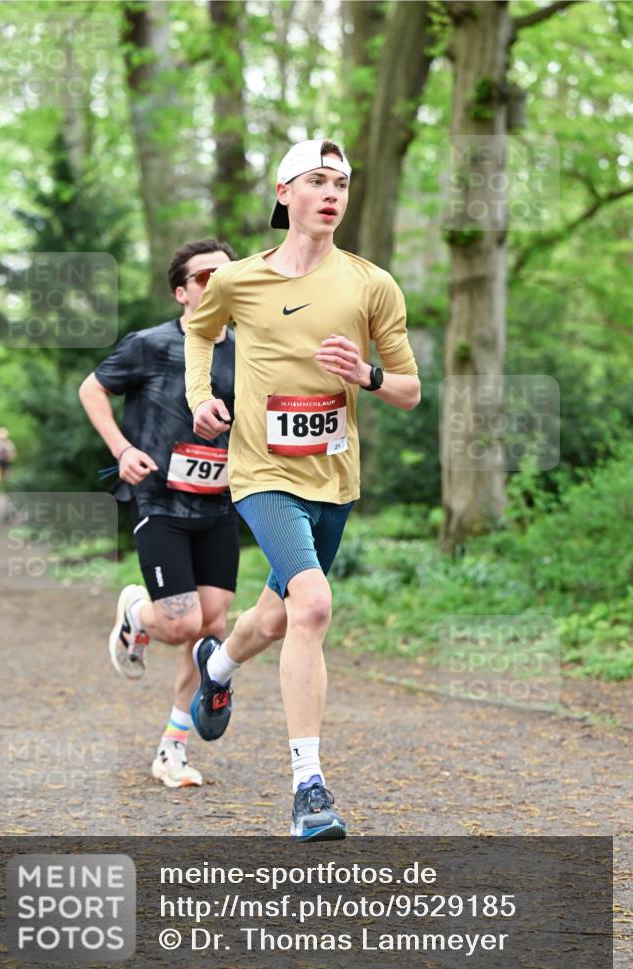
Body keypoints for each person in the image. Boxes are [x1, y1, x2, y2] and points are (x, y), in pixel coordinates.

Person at [184, 139, 421, 839]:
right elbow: (201, 333)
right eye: (316, 181)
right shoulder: (239, 281)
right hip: (261, 471)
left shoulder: (371, 284)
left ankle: (218, 662)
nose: (331, 194)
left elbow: (408, 390)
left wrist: (368, 377)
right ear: (283, 193)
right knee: (313, 605)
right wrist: (202, 394)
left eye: (341, 184)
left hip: (333, 476)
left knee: (278, 617)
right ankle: (308, 789)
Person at [79, 238, 239, 790]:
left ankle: (172, 749)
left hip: (219, 502)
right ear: (182, 292)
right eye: (203, 279)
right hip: (160, 499)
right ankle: (136, 615)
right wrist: (122, 450)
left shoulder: (250, 350)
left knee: (213, 628)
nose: (217, 284)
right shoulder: (150, 345)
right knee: (179, 623)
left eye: (226, 274)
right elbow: (91, 389)